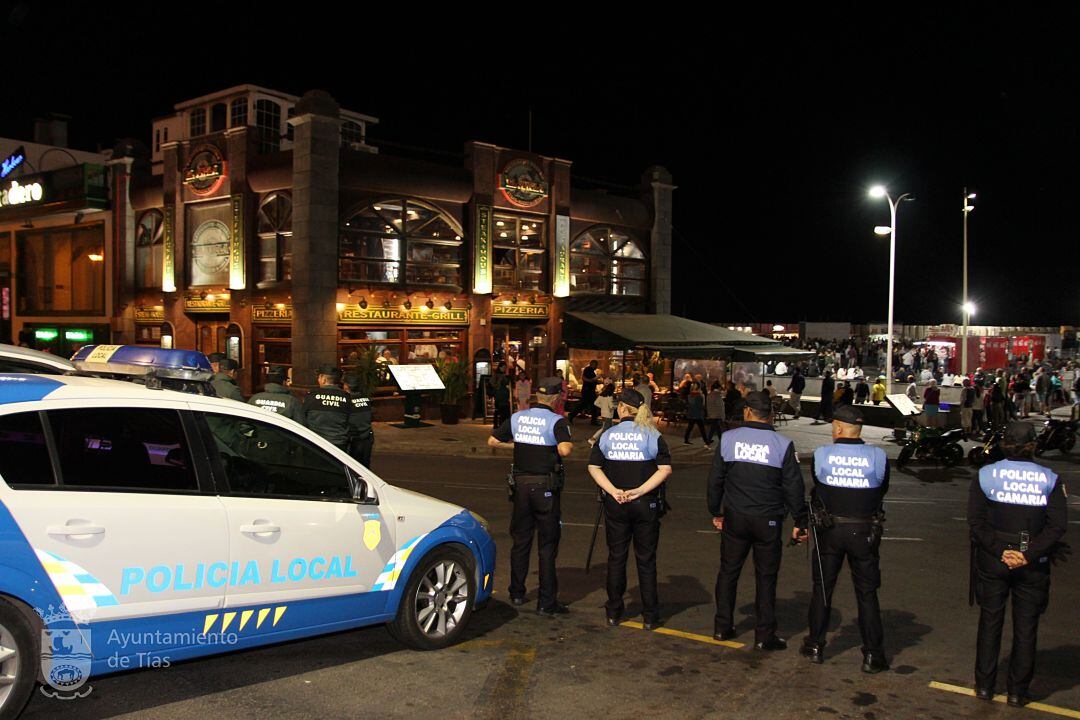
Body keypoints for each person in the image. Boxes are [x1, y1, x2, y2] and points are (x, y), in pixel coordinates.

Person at [968, 422, 1068, 707]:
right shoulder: (1050, 478)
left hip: (993, 559)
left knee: (990, 621)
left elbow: (976, 522)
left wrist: (1000, 551)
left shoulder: (986, 475)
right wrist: (1027, 554)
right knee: (1026, 627)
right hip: (1032, 561)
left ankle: (984, 685)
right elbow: (1057, 527)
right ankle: (1017, 691)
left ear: (1004, 444)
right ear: (1033, 445)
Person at [708, 391, 808, 649]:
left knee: (729, 571)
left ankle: (722, 626)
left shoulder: (729, 439)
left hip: (736, 517)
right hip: (768, 520)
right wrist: (800, 519)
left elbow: (716, 480)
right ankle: (764, 635)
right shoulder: (782, 444)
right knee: (766, 577)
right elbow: (793, 487)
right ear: (771, 414)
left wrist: (716, 512)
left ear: (747, 412)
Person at [799, 405, 890, 673]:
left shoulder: (823, 454)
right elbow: (882, 490)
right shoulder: (878, 456)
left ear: (838, 428)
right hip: (864, 532)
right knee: (867, 593)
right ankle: (873, 655)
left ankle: (815, 645)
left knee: (823, 590)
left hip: (830, 531)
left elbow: (819, 486)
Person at [488, 377, 574, 616]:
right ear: (556, 398)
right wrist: (548, 446)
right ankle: (546, 602)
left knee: (521, 541)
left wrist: (519, 445)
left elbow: (492, 440)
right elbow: (565, 449)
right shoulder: (557, 421)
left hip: (521, 488)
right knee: (547, 546)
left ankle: (516, 592)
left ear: (537, 395)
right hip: (544, 488)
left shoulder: (518, 417)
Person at [588, 388, 672, 630]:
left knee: (616, 558)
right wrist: (640, 491)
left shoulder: (608, 434)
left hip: (616, 504)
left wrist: (613, 491)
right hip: (645, 504)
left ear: (622, 408)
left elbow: (594, 467)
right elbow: (664, 469)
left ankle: (614, 611)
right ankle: (650, 615)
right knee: (646, 560)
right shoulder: (651, 435)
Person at [302, 365, 352, 451]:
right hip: (339, 446)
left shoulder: (311, 396)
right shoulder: (347, 397)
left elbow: (303, 418)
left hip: (315, 444)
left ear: (323, 379)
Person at [343, 372, 374, 469]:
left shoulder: (346, 401)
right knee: (364, 467)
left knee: (352, 468)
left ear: (346, 386)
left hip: (353, 439)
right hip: (366, 437)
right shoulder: (366, 398)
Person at [568, 360, 601, 425]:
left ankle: (572, 415)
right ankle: (572, 415)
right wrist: (597, 378)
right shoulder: (588, 370)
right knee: (590, 405)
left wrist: (599, 381)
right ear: (592, 364)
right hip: (588, 391)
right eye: (596, 365)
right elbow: (591, 380)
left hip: (588, 391)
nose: (596, 367)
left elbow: (591, 380)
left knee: (585, 405)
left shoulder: (589, 370)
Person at [682, 381, 710, 447]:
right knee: (701, 428)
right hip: (698, 414)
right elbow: (701, 406)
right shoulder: (700, 396)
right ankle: (706, 441)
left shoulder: (689, 395)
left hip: (691, 413)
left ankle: (686, 440)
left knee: (690, 427)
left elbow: (689, 404)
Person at [705, 379, 726, 444]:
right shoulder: (718, 396)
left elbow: (707, 405)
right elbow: (721, 408)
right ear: (719, 388)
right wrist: (723, 416)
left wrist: (709, 414)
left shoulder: (709, 395)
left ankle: (709, 441)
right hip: (717, 415)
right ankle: (708, 442)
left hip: (712, 414)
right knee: (715, 428)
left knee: (715, 428)